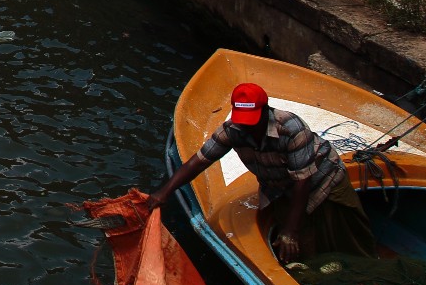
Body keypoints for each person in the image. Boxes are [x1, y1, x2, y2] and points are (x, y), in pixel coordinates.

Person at [149, 82, 374, 261]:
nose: (248, 127)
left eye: (253, 121)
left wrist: (290, 230)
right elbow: (197, 162)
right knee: (301, 252)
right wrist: (165, 191)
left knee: (349, 242)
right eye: (243, 121)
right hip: (283, 190)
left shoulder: (291, 128)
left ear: (266, 110)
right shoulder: (233, 130)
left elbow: (303, 182)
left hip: (324, 182)